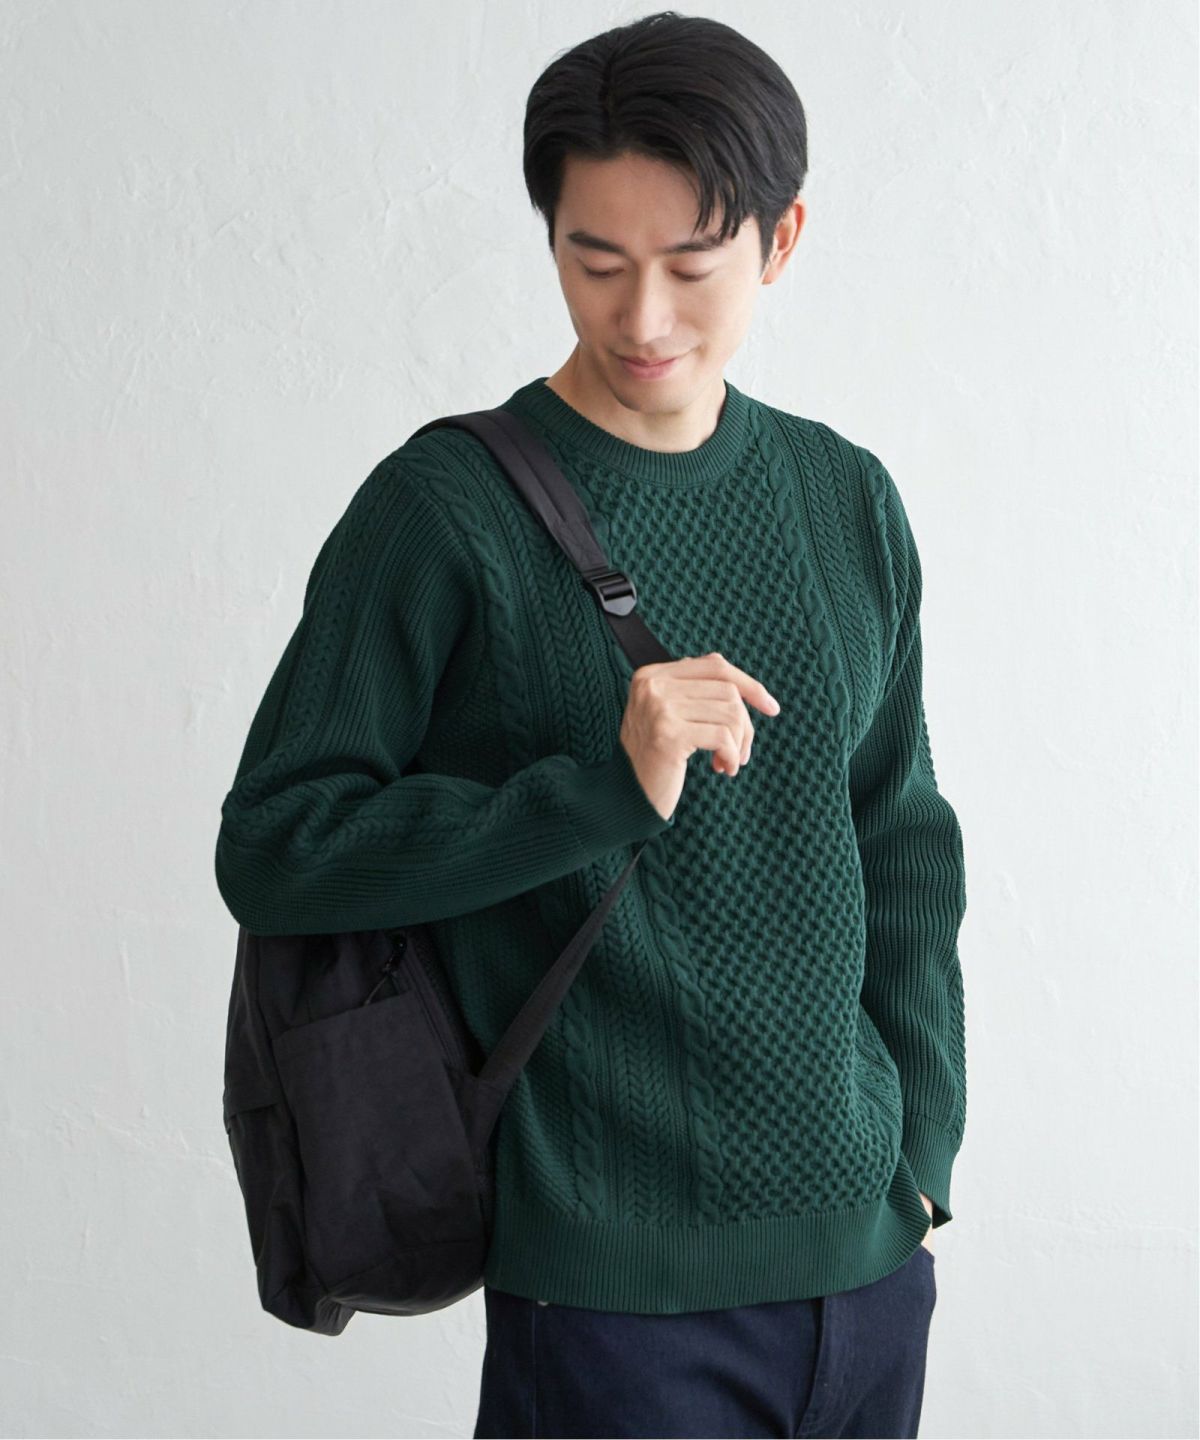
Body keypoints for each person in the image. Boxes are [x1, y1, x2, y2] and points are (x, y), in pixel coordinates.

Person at [214, 10, 968, 1438]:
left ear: (781, 240)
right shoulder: (444, 511)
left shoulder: (843, 498)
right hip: (611, 1306)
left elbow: (903, 837)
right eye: (595, 262)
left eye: (691, 265)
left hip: (869, 1276)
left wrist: (921, 1155)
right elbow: (276, 846)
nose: (642, 320)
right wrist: (598, 790)